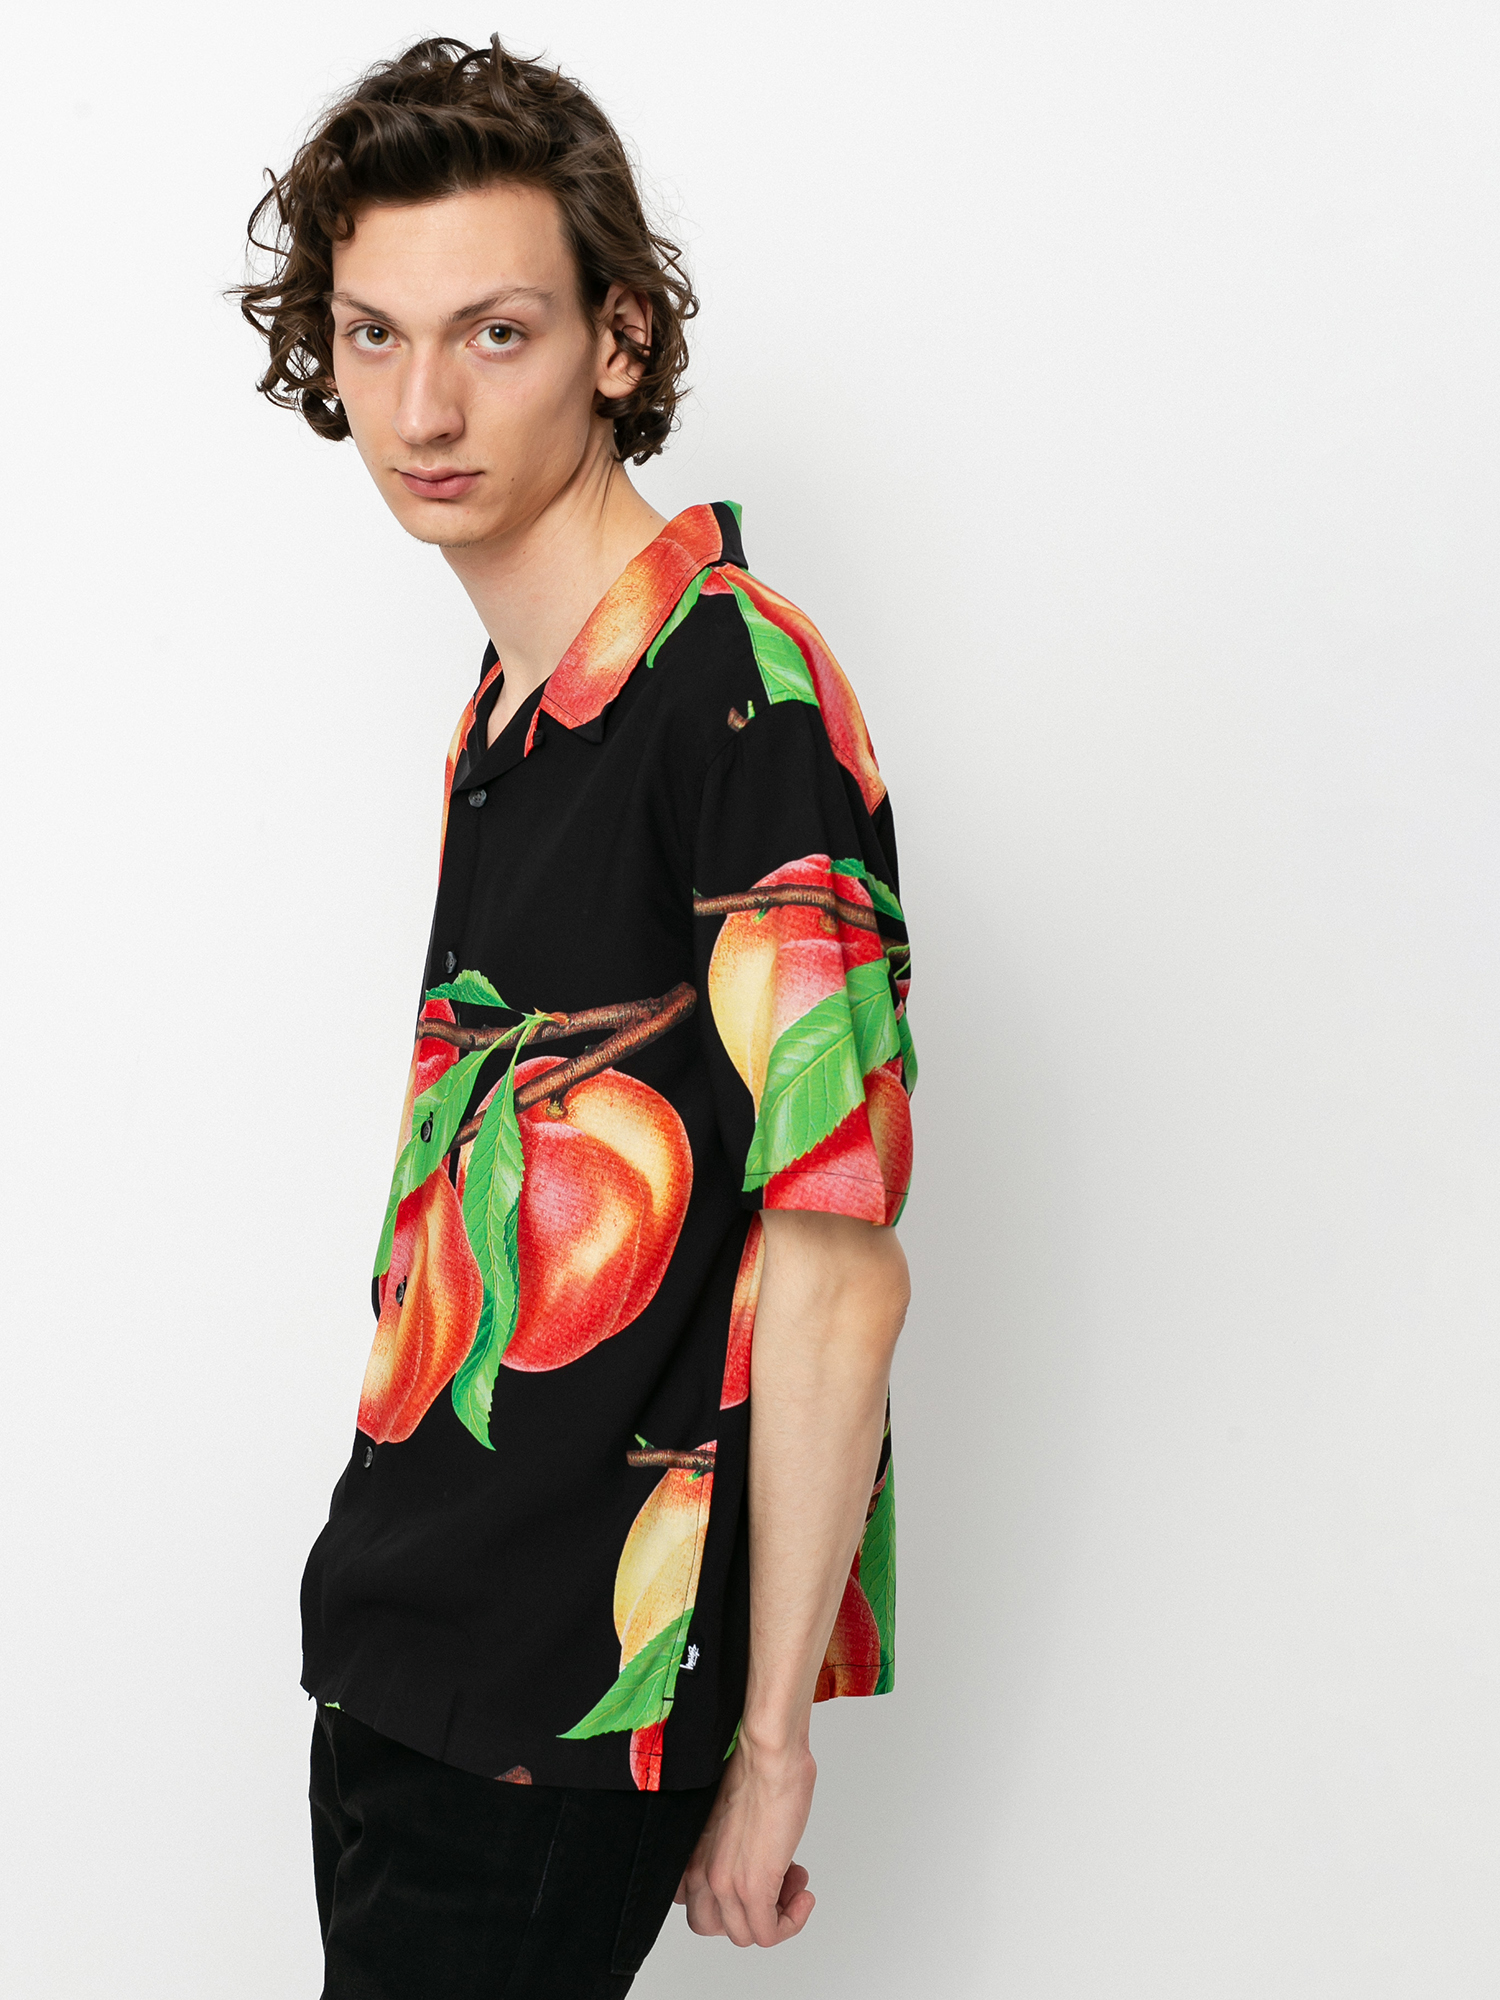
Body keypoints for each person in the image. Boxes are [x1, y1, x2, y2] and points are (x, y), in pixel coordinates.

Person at [238, 35, 915, 1999]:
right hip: (406, 1631)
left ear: (619, 341)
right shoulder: (519, 706)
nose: (422, 407)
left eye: (497, 332)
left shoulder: (738, 700)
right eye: (371, 335)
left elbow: (838, 1261)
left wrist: (769, 1745)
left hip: (564, 1694)